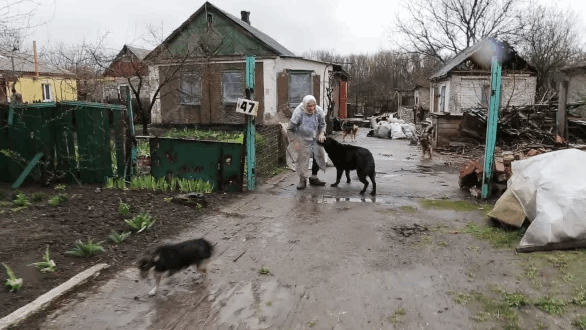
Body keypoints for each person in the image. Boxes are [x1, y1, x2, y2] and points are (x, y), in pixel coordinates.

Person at [287, 95, 327, 190]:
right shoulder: (298, 113)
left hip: (315, 138)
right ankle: (302, 180)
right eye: (309, 106)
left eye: (314, 105)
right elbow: (289, 129)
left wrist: (322, 133)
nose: (312, 108)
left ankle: (314, 177)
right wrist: (295, 141)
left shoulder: (319, 111)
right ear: (305, 105)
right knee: (303, 160)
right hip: (302, 139)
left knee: (318, 156)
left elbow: (322, 125)